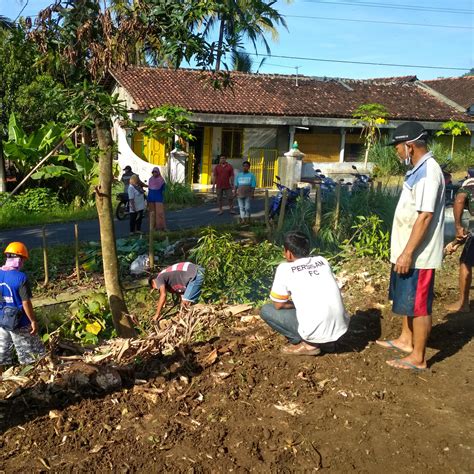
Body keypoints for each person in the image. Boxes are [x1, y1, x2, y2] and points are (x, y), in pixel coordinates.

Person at [376, 122, 445, 371]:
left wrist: (408, 252)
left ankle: (419, 357)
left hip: (419, 254)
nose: (396, 152)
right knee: (407, 299)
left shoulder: (429, 172)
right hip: (407, 250)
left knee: (419, 304)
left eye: (397, 147)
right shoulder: (418, 169)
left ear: (409, 146)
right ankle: (406, 340)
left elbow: (425, 216)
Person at [260, 231, 349, 356]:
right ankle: (328, 343)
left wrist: (297, 305)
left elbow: (278, 305)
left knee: (266, 310)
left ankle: (309, 345)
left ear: (288, 253)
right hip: (340, 328)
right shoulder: (322, 261)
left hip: (314, 329)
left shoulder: (284, 269)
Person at [0, 242, 45, 371]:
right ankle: (31, 379)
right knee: (29, 355)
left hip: (2, 321)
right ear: (19, 259)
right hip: (20, 323)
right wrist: (33, 321)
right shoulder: (21, 277)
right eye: (23, 260)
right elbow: (26, 302)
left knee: (1, 354)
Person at [445, 168, 474, 313]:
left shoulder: (469, 185)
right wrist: (457, 243)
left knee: (466, 262)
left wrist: (457, 226)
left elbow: (460, 199)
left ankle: (463, 304)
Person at [148, 167, 167, 231]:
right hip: (151, 198)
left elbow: (164, 189)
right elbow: (149, 189)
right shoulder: (150, 179)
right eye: (153, 172)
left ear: (158, 172)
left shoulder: (161, 180)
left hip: (159, 198)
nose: (154, 173)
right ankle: (152, 227)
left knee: (160, 213)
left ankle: (161, 227)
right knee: (152, 213)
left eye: (155, 172)